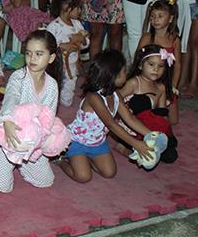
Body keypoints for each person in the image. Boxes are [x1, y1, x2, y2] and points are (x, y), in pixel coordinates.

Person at [0, 30, 62, 193]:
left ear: (51, 58)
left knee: (45, 181)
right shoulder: (18, 76)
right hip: (9, 134)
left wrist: (42, 142)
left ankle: (20, 163)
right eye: (28, 53)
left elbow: (49, 117)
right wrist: (8, 122)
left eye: (39, 54)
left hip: (32, 140)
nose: (32, 58)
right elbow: (11, 99)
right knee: (2, 186)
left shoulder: (52, 85)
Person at [59, 50, 154, 183]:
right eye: (124, 72)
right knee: (83, 177)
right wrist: (136, 144)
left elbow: (129, 118)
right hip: (77, 141)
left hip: (97, 142)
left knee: (109, 173)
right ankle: (59, 159)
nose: (126, 74)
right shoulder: (94, 98)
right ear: (112, 76)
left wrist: (152, 135)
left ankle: (84, 160)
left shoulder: (115, 95)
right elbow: (111, 124)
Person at [120, 44, 178, 163]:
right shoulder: (134, 83)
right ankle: (124, 148)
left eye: (161, 66)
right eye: (151, 64)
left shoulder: (161, 87)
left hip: (149, 125)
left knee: (171, 155)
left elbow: (162, 114)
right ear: (141, 65)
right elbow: (114, 101)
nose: (156, 69)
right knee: (148, 153)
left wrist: (166, 132)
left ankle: (149, 147)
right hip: (131, 125)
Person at [137, 0, 181, 124]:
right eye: (153, 16)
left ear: (171, 19)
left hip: (166, 81)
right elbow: (138, 59)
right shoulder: (147, 37)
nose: (155, 19)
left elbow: (177, 65)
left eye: (160, 16)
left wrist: (173, 86)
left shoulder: (175, 40)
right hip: (148, 81)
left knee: (173, 121)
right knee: (146, 116)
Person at [46, 0, 88, 107]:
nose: (80, 11)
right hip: (57, 63)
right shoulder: (54, 26)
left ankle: (65, 99)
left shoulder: (77, 24)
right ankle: (51, 97)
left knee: (70, 81)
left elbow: (85, 44)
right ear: (66, 7)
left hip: (72, 63)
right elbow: (48, 44)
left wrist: (82, 40)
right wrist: (62, 46)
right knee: (54, 82)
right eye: (78, 7)